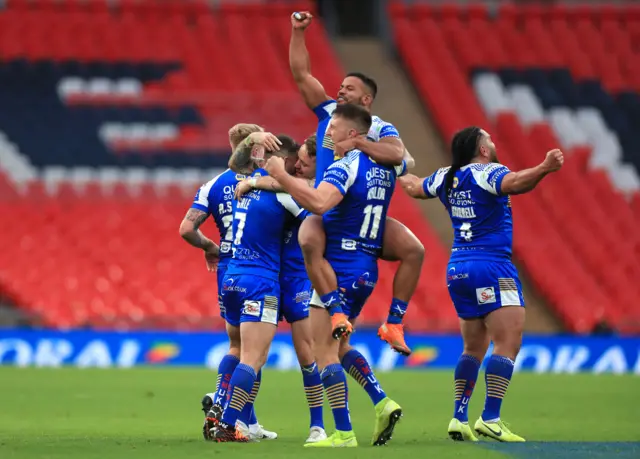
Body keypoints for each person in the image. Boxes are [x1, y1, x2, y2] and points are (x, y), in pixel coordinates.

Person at [399, 126, 564, 443]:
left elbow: (415, 187)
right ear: (483, 149)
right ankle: (490, 417)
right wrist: (544, 167)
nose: (493, 142)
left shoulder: (446, 176)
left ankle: (459, 417)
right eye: (490, 138)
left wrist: (394, 168)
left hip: (458, 268)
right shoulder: (488, 172)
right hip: (492, 265)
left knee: (472, 348)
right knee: (508, 340)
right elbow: (515, 183)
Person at [265, 104, 405, 448]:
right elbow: (403, 160)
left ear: (353, 135)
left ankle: (342, 432)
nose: (328, 133)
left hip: (337, 267)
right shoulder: (383, 167)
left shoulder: (347, 165)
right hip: (365, 267)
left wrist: (280, 176)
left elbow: (319, 202)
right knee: (341, 346)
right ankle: (381, 400)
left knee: (323, 351)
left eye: (334, 129)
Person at [287, 11, 424, 359]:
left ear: (366, 100)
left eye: (349, 88)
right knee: (308, 235)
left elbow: (400, 155)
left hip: (361, 214)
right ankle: (335, 313)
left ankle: (394, 321)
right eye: (340, 86)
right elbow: (302, 74)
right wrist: (298, 32)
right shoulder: (329, 113)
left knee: (414, 250)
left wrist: (359, 144)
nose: (340, 90)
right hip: (327, 203)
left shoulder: (377, 126)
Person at [180, 123, 280, 441]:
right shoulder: (265, 183)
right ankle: (228, 415)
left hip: (228, 271)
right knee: (253, 349)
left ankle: (244, 420)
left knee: (238, 346)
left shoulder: (213, 185)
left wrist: (211, 247)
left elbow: (186, 229)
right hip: (260, 269)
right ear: (254, 148)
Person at [213, 135, 307, 443]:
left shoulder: (247, 182)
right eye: (294, 164)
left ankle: (222, 409)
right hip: (260, 281)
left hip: (232, 278)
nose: (297, 170)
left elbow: (238, 163)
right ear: (286, 161)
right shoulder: (284, 193)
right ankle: (228, 424)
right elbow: (318, 205)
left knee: (238, 349)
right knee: (252, 359)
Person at [236, 134, 327, 443]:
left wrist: (258, 183)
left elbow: (314, 209)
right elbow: (237, 166)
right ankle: (246, 420)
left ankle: (318, 426)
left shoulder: (307, 190)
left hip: (299, 279)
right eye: (297, 161)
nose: (299, 166)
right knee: (256, 354)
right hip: (273, 278)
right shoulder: (278, 186)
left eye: (303, 162)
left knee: (307, 355)